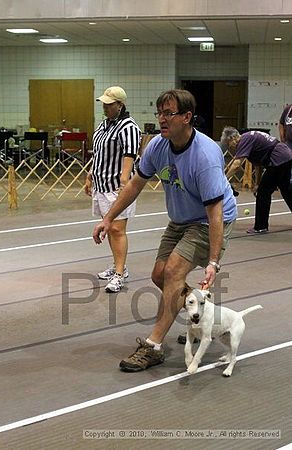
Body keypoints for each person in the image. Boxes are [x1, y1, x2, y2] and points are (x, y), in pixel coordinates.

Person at [92, 89, 237, 372]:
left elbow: (215, 213)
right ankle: (201, 313)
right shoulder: (158, 146)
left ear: (187, 117)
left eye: (168, 113)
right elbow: (135, 184)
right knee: (159, 275)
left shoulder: (205, 156)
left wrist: (213, 262)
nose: (161, 119)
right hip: (181, 219)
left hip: (209, 221)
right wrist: (108, 218)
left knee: (172, 273)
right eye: (159, 113)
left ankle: (154, 345)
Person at [85, 86, 141, 293]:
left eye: (110, 104)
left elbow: (129, 154)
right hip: (101, 185)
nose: (106, 107)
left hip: (116, 188)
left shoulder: (129, 126)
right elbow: (99, 153)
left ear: (120, 105)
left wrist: (124, 182)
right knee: (109, 227)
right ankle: (119, 266)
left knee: (117, 229)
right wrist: (90, 174)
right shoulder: (103, 125)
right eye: (104, 104)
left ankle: (119, 274)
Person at [221, 127, 292, 234]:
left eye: (228, 143)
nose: (229, 147)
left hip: (278, 159)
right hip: (285, 156)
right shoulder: (248, 138)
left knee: (263, 193)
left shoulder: (244, 140)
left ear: (233, 138)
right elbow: (258, 165)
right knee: (286, 190)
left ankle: (261, 226)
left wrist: (224, 180)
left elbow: (236, 165)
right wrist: (257, 184)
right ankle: (261, 225)